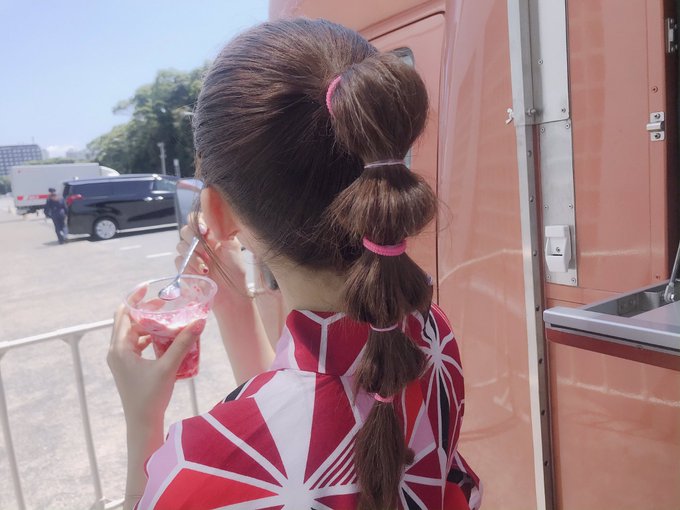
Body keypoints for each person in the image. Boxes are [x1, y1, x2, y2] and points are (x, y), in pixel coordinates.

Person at [107, 18, 481, 510]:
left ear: (216, 213)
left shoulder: (200, 469)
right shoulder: (429, 333)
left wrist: (143, 420)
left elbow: (287, 420)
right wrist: (234, 304)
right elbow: (296, 408)